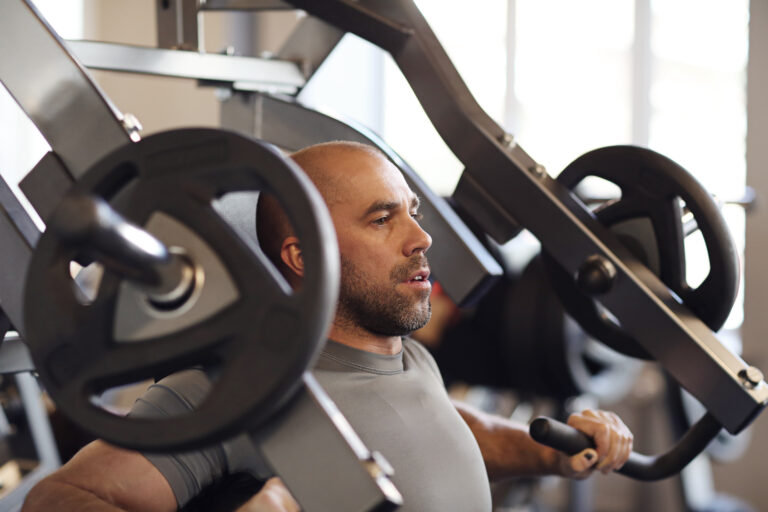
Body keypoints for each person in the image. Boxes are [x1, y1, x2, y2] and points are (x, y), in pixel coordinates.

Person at [22, 141, 633, 512]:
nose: (421, 239)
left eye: (413, 215)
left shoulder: (410, 358)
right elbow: (57, 502)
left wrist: (553, 453)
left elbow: (450, 428)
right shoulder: (228, 392)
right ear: (303, 258)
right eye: (381, 219)